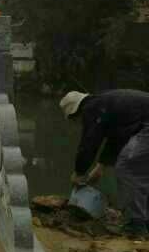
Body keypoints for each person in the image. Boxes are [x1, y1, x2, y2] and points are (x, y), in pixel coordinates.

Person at [59, 89, 149, 238]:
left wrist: (79, 172)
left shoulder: (91, 108)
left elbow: (89, 143)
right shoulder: (104, 105)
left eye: (74, 119)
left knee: (126, 168)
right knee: (142, 173)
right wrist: (101, 165)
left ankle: (137, 225)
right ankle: (144, 222)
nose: (77, 123)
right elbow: (117, 138)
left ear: (76, 112)